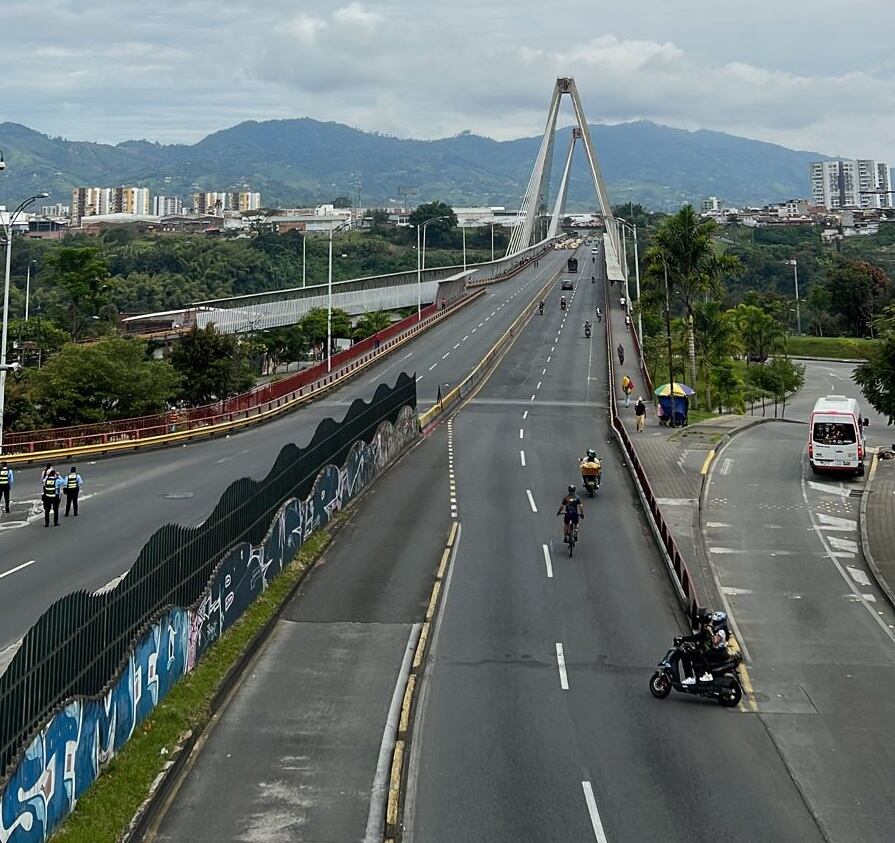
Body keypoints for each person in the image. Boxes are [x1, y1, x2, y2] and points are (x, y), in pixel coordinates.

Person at [677, 609, 715, 685]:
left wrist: (683, 638)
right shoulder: (710, 627)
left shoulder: (707, 629)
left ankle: (689, 677)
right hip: (706, 651)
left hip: (705, 652)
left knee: (685, 655)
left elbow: (697, 637)